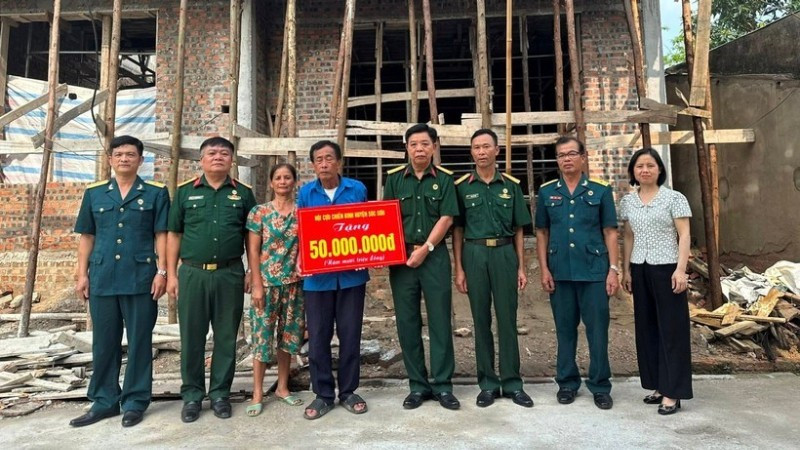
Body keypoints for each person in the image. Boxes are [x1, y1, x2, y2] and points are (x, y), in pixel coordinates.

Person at [70, 135, 170, 428]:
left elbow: (162, 235)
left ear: (141, 160)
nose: (124, 159)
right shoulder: (95, 193)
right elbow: (87, 236)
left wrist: (162, 271)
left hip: (140, 278)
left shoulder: (155, 193)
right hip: (102, 277)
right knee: (104, 343)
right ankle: (104, 401)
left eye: (130, 154)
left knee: (139, 342)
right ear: (110, 159)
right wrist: (82, 273)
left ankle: (135, 402)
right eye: (119, 154)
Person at [166, 136, 256, 423]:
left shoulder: (243, 194)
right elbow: (174, 234)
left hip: (230, 274)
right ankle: (192, 396)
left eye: (224, 153)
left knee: (226, 337)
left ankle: (220, 394)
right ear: (201, 160)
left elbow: (251, 236)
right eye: (212, 153)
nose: (218, 157)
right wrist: (170, 274)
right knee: (191, 337)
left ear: (232, 160)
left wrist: (252, 271)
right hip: (192, 274)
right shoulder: (184, 192)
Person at [535, 136, 619, 410]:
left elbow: (610, 232)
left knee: (597, 332)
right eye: (561, 155)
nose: (566, 159)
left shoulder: (600, 191)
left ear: (583, 157)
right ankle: (567, 383)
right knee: (565, 330)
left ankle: (600, 385)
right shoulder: (547, 192)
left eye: (572, 154)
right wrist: (544, 269)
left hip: (594, 272)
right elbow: (542, 232)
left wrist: (613, 270)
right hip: (560, 272)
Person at [452, 129, 533, 408]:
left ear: (497, 150)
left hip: (504, 253)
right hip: (474, 253)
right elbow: (457, 230)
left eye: (486, 146)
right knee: (480, 320)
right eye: (476, 147)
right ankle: (487, 383)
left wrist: (521, 267)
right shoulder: (462, 187)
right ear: (471, 152)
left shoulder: (511, 185)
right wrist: (459, 269)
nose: (482, 152)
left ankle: (512, 383)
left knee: (507, 319)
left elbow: (520, 229)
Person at [383, 124, 460, 410]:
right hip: (401, 259)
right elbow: (385, 218)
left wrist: (425, 248)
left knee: (440, 320)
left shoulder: (446, 179)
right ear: (406, 148)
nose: (419, 149)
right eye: (414, 144)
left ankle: (443, 385)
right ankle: (417, 385)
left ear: (434, 147)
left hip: (434, 256)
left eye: (425, 144)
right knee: (407, 322)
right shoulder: (394, 179)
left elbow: (447, 218)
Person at [297, 140, 369, 420]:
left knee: (350, 335)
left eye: (329, 158)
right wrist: (302, 258)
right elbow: (303, 230)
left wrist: (370, 252)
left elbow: (366, 226)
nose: (324, 163)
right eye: (319, 159)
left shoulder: (357, 189)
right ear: (313, 165)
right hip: (317, 280)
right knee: (318, 337)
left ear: (339, 162)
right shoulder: (306, 193)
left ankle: (349, 391)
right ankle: (323, 394)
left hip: (352, 277)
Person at [620, 148, 693, 415]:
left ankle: (673, 391)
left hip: (667, 269)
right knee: (647, 329)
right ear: (633, 171)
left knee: (672, 331)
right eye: (639, 166)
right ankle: (659, 385)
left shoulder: (674, 198)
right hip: (640, 268)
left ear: (659, 169)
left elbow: (684, 235)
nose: (645, 170)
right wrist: (626, 270)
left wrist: (681, 270)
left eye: (650, 165)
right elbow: (628, 236)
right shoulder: (628, 202)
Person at [245, 163, 305, 417]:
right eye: (278, 177)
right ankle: (257, 392)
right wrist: (256, 284)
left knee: (287, 339)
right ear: (271, 183)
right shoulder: (259, 212)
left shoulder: (302, 212)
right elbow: (253, 251)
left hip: (294, 285)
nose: (283, 181)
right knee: (262, 338)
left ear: (294, 182)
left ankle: (282, 387)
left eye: (287, 177)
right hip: (266, 285)